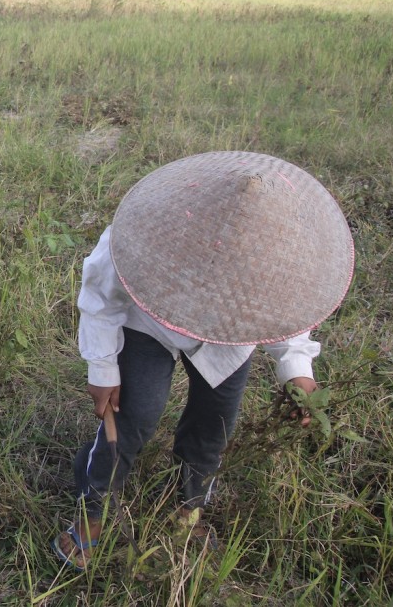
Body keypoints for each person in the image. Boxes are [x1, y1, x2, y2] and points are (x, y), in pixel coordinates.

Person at [53, 150, 354, 570]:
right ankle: (92, 516)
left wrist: (296, 370)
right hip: (151, 320)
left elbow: (287, 310)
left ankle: (189, 511)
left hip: (232, 335)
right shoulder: (148, 227)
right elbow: (102, 299)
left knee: (214, 425)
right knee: (134, 415)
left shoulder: (279, 255)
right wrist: (101, 367)